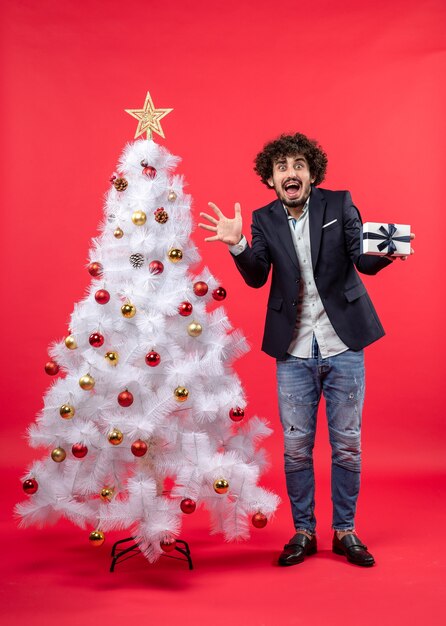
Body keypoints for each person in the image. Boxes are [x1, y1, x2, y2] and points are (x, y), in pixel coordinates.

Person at [199, 133, 414, 567]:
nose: (290, 173)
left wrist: (387, 252)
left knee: (347, 445)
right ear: (272, 180)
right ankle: (303, 531)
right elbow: (258, 276)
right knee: (297, 448)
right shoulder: (263, 219)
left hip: (344, 344)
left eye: (299, 165)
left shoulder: (339, 205)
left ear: (312, 173)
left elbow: (361, 258)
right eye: (281, 168)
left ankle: (345, 531)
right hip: (293, 350)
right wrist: (238, 244)